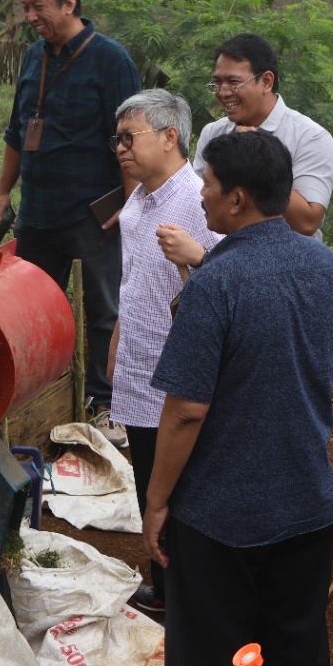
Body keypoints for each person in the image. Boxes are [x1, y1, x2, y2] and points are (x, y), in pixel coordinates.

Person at [143, 130, 333, 666]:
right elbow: (326, 370)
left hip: (220, 515)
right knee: (297, 651)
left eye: (208, 183)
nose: (202, 194)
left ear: (238, 198)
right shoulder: (323, 264)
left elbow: (186, 411)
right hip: (307, 498)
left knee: (213, 656)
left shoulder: (217, 282)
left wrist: (157, 501)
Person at [0, 0, 140, 446]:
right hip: (38, 209)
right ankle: (33, 393)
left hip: (93, 210)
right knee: (32, 306)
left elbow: (131, 138)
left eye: (39, 6)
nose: (30, 15)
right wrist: (2, 190)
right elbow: (17, 129)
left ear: (69, 4)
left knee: (103, 308)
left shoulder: (111, 60)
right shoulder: (35, 56)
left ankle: (105, 404)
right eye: (25, 6)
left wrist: (133, 203)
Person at [106, 88, 221, 618]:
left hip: (178, 369)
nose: (121, 148)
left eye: (130, 137)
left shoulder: (198, 200)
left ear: (170, 137)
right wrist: (117, 341)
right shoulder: (139, 200)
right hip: (139, 361)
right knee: (148, 473)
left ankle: (192, 593)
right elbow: (133, 281)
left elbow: (226, 274)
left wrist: (197, 258)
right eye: (118, 139)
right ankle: (168, 586)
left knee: (179, 483)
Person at [191, 33, 333, 236]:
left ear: (267, 81)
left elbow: (307, 223)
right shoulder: (213, 133)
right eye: (217, 82)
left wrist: (259, 159)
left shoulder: (310, 137)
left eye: (234, 82)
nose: (223, 92)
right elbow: (198, 203)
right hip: (223, 259)